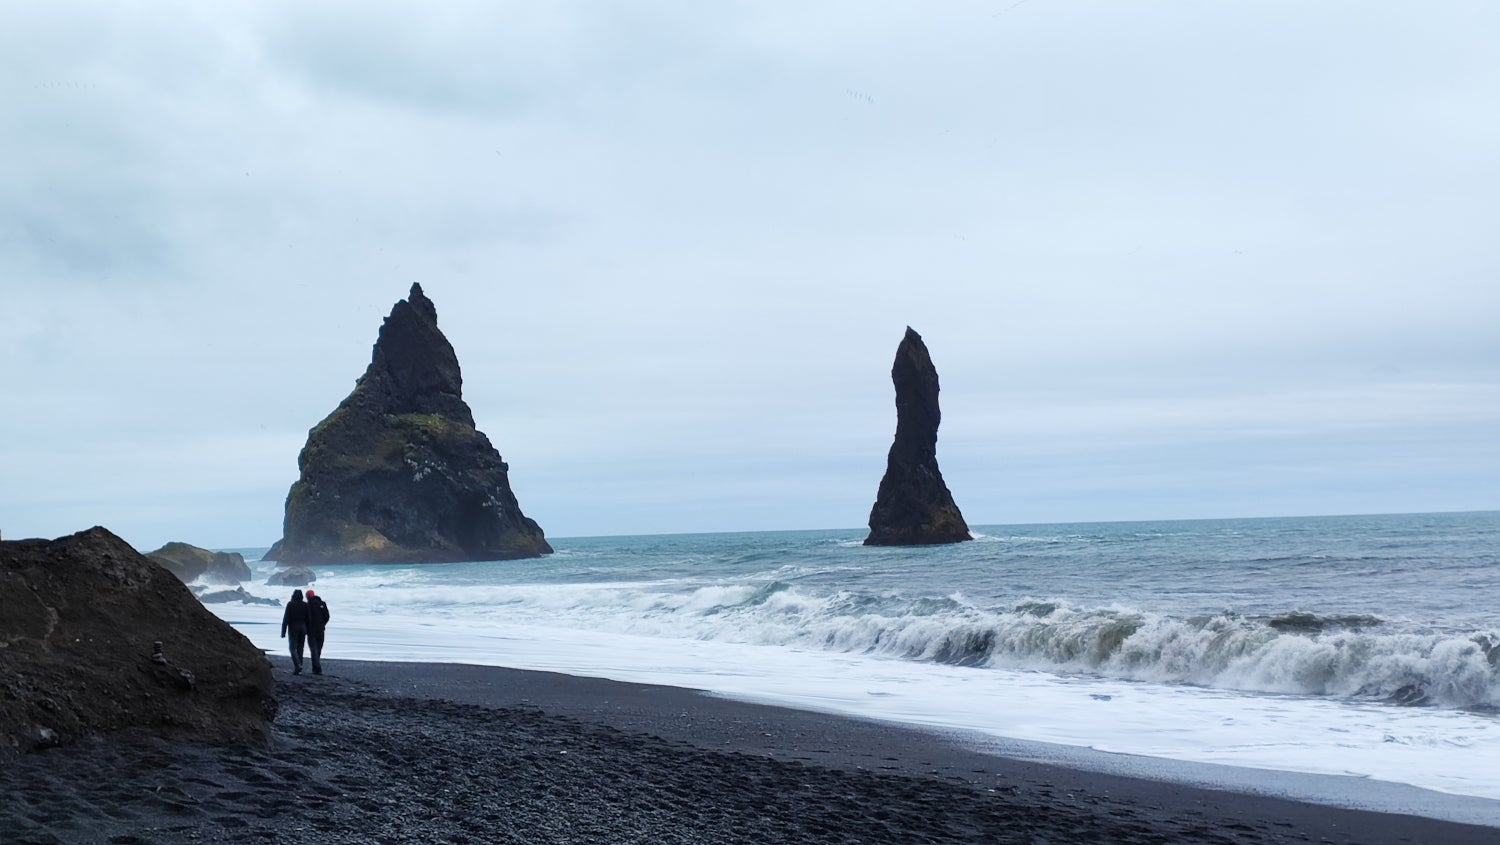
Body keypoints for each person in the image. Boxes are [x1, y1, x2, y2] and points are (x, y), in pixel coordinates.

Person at [280, 589, 310, 674]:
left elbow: (286, 618)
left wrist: (283, 631)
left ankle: (298, 665)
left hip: (293, 627)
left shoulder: (290, 604)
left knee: (292, 648)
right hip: (303, 627)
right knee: (300, 647)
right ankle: (299, 666)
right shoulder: (305, 605)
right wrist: (309, 629)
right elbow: (308, 618)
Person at [305, 589, 331, 675]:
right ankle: (315, 668)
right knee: (318, 649)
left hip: (311, 631)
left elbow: (306, 619)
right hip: (321, 630)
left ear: (308, 596)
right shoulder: (322, 604)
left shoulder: (308, 605)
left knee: (314, 650)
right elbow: (327, 616)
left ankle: (317, 668)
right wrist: (323, 624)